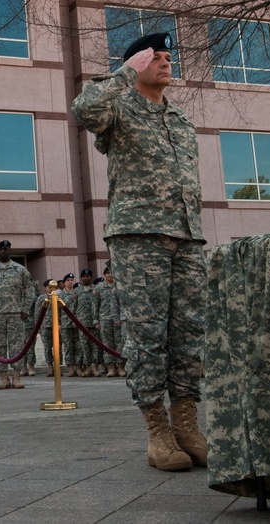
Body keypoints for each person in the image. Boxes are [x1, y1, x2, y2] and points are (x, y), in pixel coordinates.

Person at [72, 31, 207, 472]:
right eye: (157, 57)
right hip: (138, 237)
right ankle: (158, 432)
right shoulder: (118, 107)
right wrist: (125, 72)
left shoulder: (181, 118)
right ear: (136, 64)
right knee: (148, 336)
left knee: (189, 336)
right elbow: (83, 109)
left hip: (187, 238)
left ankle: (187, 424)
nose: (167, 63)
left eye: (169, 56)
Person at [0, 239, 36, 390]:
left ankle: (16, 377)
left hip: (16, 313)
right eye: (1, 249)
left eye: (6, 248)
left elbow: (30, 291)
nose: (4, 251)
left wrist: (25, 309)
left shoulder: (20, 270)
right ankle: (3, 378)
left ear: (10, 250)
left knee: (17, 345)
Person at [94, 266, 123, 377]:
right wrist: (96, 320)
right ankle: (110, 367)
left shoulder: (119, 286)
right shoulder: (99, 288)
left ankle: (120, 367)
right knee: (107, 343)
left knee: (119, 343)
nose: (110, 275)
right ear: (104, 275)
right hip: (104, 319)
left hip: (118, 319)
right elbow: (95, 305)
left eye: (111, 273)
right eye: (107, 273)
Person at [72, 268, 100, 376]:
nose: (86, 278)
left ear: (91, 277)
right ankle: (88, 367)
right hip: (82, 323)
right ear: (81, 278)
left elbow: (98, 304)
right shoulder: (77, 291)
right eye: (84, 276)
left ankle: (95, 367)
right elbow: (73, 308)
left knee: (95, 346)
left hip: (94, 321)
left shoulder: (96, 289)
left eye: (88, 276)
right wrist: (74, 321)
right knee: (84, 345)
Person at [58, 273, 78, 376]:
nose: (70, 282)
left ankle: (78, 366)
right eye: (68, 280)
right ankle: (70, 367)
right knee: (68, 346)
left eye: (71, 280)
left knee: (78, 345)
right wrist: (58, 323)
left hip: (77, 324)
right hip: (65, 324)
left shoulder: (77, 293)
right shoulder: (60, 295)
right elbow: (57, 311)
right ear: (64, 282)